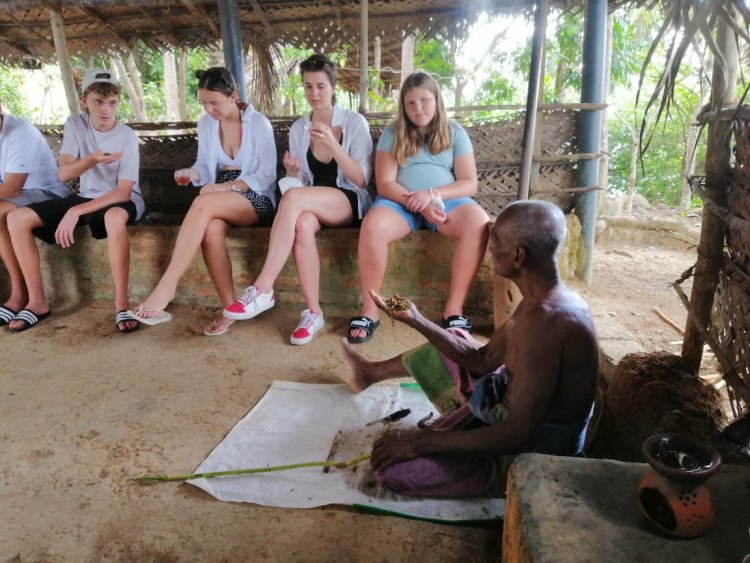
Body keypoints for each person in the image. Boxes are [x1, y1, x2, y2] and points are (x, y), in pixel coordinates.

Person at [341, 200, 599, 497]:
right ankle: (370, 373)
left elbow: (518, 435)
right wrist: (416, 320)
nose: (490, 248)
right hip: (510, 413)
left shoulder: (548, 324)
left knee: (392, 473)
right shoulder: (539, 301)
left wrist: (420, 442)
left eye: (496, 241)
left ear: (518, 256)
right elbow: (481, 360)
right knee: (454, 338)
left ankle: (486, 471)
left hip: (529, 455)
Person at [223, 54, 372, 345]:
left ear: (333, 87)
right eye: (307, 87)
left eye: (320, 86)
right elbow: (304, 185)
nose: (313, 94)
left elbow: (362, 179)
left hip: (349, 200)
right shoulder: (298, 128)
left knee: (292, 199)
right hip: (313, 203)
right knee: (302, 224)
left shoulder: (354, 123)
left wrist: (333, 145)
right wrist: (294, 171)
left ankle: (263, 287)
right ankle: (313, 312)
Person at [125, 67, 277, 335]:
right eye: (204, 103)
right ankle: (230, 309)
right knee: (210, 229)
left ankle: (166, 288)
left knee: (202, 203)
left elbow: (265, 176)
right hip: (222, 195)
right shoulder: (206, 124)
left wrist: (224, 187)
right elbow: (204, 165)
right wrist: (191, 173)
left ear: (233, 96)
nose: (209, 109)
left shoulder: (258, 123)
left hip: (257, 198)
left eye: (215, 103)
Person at [348, 71, 489, 344]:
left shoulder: (455, 132)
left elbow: (469, 183)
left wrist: (431, 195)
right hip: (399, 202)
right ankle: (369, 310)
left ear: (436, 100)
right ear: (403, 106)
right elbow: (386, 182)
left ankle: (454, 312)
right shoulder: (393, 132)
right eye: (410, 103)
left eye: (424, 100)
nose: (418, 109)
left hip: (447, 202)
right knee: (373, 225)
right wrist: (418, 203)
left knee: (479, 223)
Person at [7, 69, 144, 333]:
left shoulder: (126, 135)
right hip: (85, 197)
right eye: (98, 102)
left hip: (120, 198)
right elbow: (64, 173)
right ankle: (37, 303)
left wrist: (76, 212)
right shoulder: (76, 124)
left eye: (112, 103)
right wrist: (91, 159)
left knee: (114, 217)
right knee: (16, 217)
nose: (106, 110)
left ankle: (121, 305)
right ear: (85, 101)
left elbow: (124, 192)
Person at [0, 103, 71, 327]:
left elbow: (12, 188)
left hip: (48, 194)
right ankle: (18, 295)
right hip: (17, 196)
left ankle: (38, 302)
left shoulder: (20, 131)